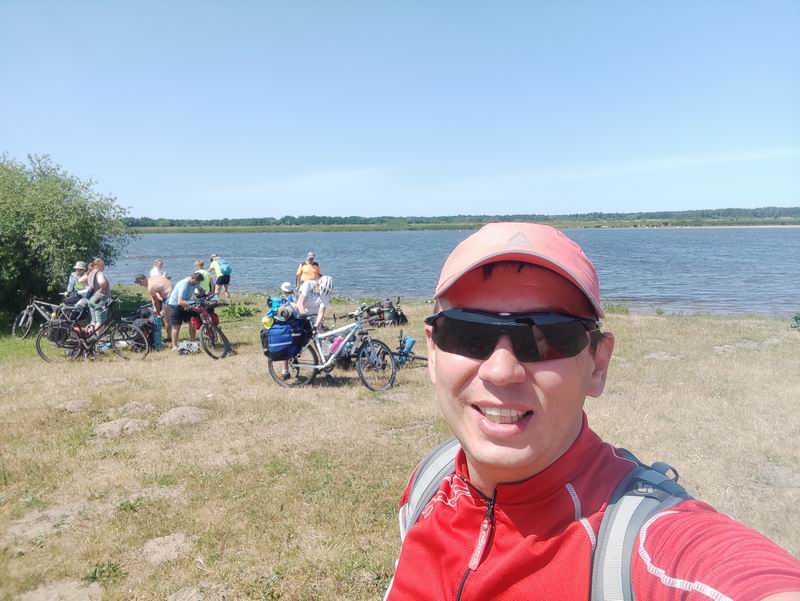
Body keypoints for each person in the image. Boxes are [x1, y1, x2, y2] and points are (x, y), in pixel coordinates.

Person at [384, 222, 800, 600]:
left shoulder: (642, 544)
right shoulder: (431, 482)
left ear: (597, 365)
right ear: (433, 353)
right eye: (467, 333)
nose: (501, 370)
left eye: (545, 337)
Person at [164, 271, 203, 351]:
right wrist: (192, 307)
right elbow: (180, 301)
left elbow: (201, 290)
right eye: (197, 282)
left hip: (186, 303)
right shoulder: (184, 284)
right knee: (177, 326)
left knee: (192, 322)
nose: (198, 284)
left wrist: (207, 294)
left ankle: (193, 341)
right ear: (193, 279)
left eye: (199, 282)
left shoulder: (195, 283)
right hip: (175, 305)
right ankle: (174, 346)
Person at [134, 273, 173, 341]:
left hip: (169, 298)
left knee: (166, 319)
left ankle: (169, 338)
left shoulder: (150, 287)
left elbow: (155, 302)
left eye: (140, 283)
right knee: (169, 316)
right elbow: (156, 293)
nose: (141, 285)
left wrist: (157, 313)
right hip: (174, 292)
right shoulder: (154, 278)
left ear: (142, 280)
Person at [85, 257, 111, 331]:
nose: (104, 267)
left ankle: (91, 336)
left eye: (104, 265)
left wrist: (89, 285)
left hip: (92, 299)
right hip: (100, 300)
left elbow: (81, 280)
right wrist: (103, 288)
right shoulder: (99, 273)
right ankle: (99, 338)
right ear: (96, 265)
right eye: (102, 265)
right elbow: (102, 282)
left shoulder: (90, 273)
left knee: (93, 321)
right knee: (100, 321)